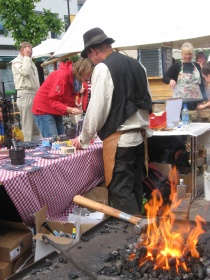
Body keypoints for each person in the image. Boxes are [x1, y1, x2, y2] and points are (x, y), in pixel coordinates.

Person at [72, 27, 153, 216]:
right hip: (141, 139)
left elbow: (96, 110)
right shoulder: (138, 65)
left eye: (89, 57)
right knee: (134, 187)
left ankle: (134, 236)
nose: (91, 62)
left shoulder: (103, 68)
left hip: (122, 141)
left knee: (120, 191)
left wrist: (83, 138)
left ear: (92, 51)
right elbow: (147, 101)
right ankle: (141, 233)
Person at [32, 58, 93, 138]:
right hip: (43, 109)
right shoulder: (61, 75)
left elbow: (67, 96)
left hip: (55, 110)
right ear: (82, 70)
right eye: (88, 74)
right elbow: (53, 100)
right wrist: (70, 109)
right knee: (53, 141)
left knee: (62, 139)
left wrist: (74, 107)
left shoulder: (75, 80)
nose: (88, 78)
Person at [11, 42, 40, 142]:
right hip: (25, 93)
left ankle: (37, 146)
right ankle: (27, 148)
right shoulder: (16, 62)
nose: (30, 52)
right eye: (28, 50)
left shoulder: (30, 62)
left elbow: (35, 80)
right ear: (22, 50)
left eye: (31, 50)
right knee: (27, 125)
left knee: (37, 124)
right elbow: (25, 72)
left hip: (34, 93)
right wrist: (27, 58)